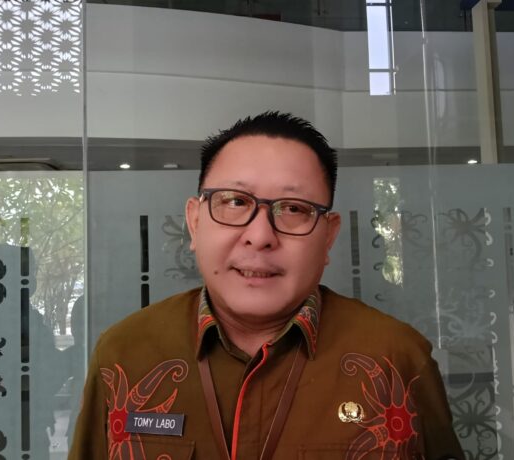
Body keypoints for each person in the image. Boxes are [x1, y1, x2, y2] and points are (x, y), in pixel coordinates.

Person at [69, 112, 465, 460]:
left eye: (293, 209)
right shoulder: (125, 354)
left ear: (329, 237)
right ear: (194, 221)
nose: (260, 237)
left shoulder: (397, 358)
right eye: (235, 202)